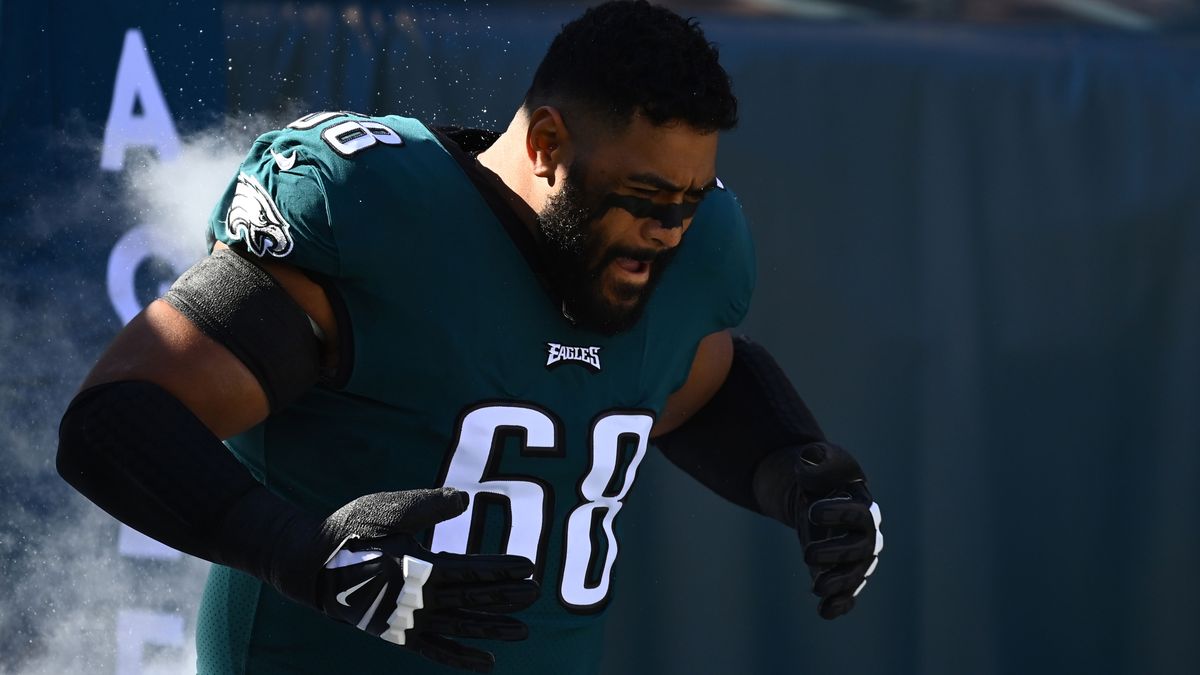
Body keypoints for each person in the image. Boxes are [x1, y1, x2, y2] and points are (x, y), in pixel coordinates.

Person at [57, 2, 883, 673]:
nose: (667, 231)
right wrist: (304, 553)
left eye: (688, 201)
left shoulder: (688, 257)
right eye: (642, 196)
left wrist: (794, 473)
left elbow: (687, 382)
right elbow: (115, 420)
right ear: (549, 145)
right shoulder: (379, 217)